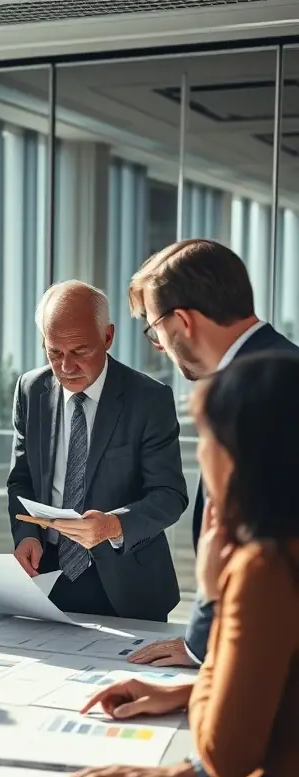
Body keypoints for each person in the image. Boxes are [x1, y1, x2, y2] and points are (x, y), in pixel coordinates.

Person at [51, 352, 299, 777]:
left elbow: (223, 756)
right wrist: (186, 693)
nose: (203, 463)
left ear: (247, 453)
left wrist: (215, 600)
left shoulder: (265, 567)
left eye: (209, 440)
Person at [124, 238, 296, 669]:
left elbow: (246, 548)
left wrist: (202, 653)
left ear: (181, 320)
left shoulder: (254, 394)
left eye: (154, 329)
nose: (158, 345)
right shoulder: (279, 369)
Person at [8, 280, 188, 623]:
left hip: (129, 585)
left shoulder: (149, 399)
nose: (66, 367)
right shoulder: (30, 390)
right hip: (45, 578)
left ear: (108, 337)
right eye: (54, 352)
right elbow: (21, 480)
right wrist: (27, 534)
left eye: (79, 351)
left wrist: (113, 526)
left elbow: (170, 495)